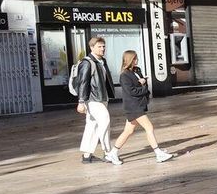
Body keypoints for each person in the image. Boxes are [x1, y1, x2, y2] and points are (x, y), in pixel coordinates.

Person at [109, 50, 174, 164]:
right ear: (128, 60)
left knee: (128, 131)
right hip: (133, 106)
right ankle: (158, 153)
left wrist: (142, 82)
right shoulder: (124, 75)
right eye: (134, 59)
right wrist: (143, 85)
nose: (136, 60)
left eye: (136, 58)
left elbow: (140, 83)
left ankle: (112, 153)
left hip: (137, 105)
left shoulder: (136, 70)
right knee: (149, 128)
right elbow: (132, 91)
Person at [73, 36, 115, 164]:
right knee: (105, 121)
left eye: (103, 46)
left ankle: (87, 155)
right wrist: (81, 102)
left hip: (102, 97)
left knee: (92, 125)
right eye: (99, 46)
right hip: (93, 99)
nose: (102, 49)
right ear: (91, 48)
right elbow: (83, 83)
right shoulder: (87, 62)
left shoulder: (101, 61)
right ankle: (108, 152)